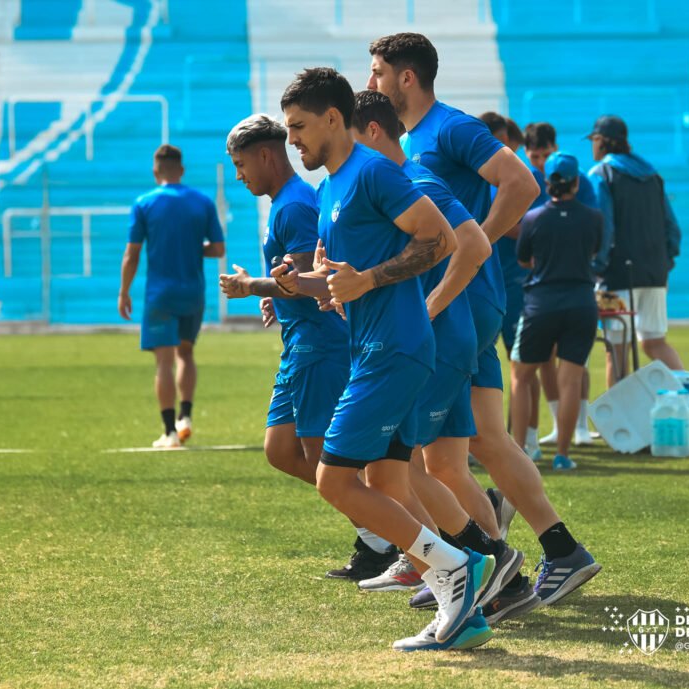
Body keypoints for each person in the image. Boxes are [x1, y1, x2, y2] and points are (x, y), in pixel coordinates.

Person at [276, 67, 514, 651]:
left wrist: (368, 280)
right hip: (374, 347)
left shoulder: (373, 172)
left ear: (334, 118)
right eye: (288, 130)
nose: (293, 140)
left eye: (300, 127)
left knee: (335, 480)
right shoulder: (331, 186)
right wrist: (302, 283)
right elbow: (348, 279)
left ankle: (455, 569)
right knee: (384, 477)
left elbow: (442, 239)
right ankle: (467, 605)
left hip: (397, 348)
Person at [367, 32, 600, 606]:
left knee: (432, 457)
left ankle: (489, 565)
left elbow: (522, 183)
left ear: (406, 77)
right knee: (477, 446)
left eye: (377, 72)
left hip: (462, 301)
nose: (370, 83)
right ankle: (531, 562)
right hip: (465, 299)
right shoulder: (413, 139)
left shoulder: (450, 127)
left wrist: (476, 243)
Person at [349, 90, 539, 626]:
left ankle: (479, 563)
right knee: (442, 467)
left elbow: (474, 246)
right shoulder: (397, 188)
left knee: (399, 466)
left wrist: (430, 308)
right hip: (447, 342)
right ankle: (499, 577)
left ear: (374, 133)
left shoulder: (419, 182)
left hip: (443, 342)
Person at [219, 114, 398, 582]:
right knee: (281, 451)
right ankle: (384, 536)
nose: (240, 176)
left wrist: (249, 285)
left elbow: (307, 282)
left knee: (327, 459)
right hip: (299, 343)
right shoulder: (285, 202)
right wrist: (271, 296)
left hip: (320, 345)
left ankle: (389, 539)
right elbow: (294, 280)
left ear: (264, 155)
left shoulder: (295, 204)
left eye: (242, 165)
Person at [118, 145, 224, 448]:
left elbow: (132, 254)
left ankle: (169, 432)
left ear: (156, 171)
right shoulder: (202, 202)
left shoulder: (144, 203)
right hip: (193, 290)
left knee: (163, 362)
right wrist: (193, 248)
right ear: (181, 170)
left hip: (160, 293)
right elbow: (218, 249)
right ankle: (185, 416)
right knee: (186, 353)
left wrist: (124, 291)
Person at [510, 152, 603, 471]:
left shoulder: (534, 218)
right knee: (571, 380)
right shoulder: (593, 218)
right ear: (576, 182)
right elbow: (594, 252)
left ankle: (519, 451)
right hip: (581, 302)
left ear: (546, 183)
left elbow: (524, 259)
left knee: (521, 376)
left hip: (541, 303)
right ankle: (563, 454)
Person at [587, 114, 684, 384]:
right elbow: (673, 228)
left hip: (615, 277)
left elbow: (604, 228)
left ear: (603, 142)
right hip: (655, 274)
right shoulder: (653, 175)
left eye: (594, 140)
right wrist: (664, 262)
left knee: (616, 351)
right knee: (655, 342)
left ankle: (616, 425)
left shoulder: (601, 174)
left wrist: (597, 268)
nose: (591, 146)